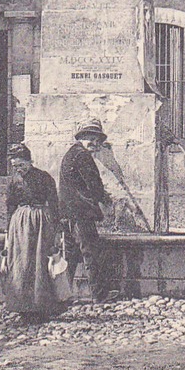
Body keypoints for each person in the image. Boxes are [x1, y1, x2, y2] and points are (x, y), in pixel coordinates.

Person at [2, 143, 62, 319]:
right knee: (21, 262)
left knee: (40, 261)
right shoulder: (13, 181)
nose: (19, 169)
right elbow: (10, 206)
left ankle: (42, 305)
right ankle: (22, 305)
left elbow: (53, 203)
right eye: (15, 166)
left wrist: (56, 226)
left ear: (30, 161)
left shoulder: (44, 178)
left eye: (22, 165)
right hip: (19, 224)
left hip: (40, 222)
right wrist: (8, 230)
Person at [59, 118, 112, 302]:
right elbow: (93, 183)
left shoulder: (71, 153)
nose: (95, 143)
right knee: (91, 253)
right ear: (82, 137)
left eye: (98, 140)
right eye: (91, 138)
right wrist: (104, 199)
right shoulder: (82, 156)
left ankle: (62, 294)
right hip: (80, 213)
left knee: (70, 256)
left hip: (67, 213)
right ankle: (99, 295)